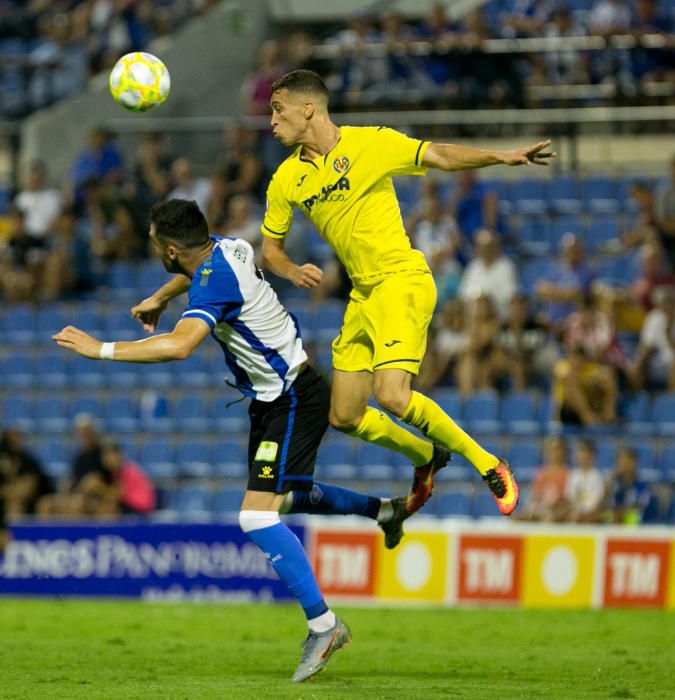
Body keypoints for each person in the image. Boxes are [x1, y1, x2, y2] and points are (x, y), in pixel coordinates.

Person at [53, 199, 413, 683]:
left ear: (174, 248)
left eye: (158, 244)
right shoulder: (228, 247)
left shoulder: (215, 277)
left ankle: (324, 626)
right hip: (275, 399)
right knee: (283, 500)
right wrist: (162, 297)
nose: (155, 249)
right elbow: (192, 276)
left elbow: (181, 345)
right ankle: (383, 511)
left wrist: (100, 350)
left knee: (256, 515)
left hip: (291, 397)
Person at [261, 70, 554, 515]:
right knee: (344, 415)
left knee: (393, 395)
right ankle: (426, 456)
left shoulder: (371, 144)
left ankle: (489, 464)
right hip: (363, 296)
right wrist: (290, 269)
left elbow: (437, 154)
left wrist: (500, 156)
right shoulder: (286, 179)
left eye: (278, 110)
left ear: (308, 108)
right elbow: (270, 251)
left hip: (401, 280)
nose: (272, 122)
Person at [564, 439, 605, 523]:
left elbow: (599, 500)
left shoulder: (598, 476)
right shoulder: (573, 475)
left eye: (587, 455)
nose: (584, 457)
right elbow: (569, 497)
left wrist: (588, 514)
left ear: (593, 457)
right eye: (581, 454)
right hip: (576, 513)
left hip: (592, 514)